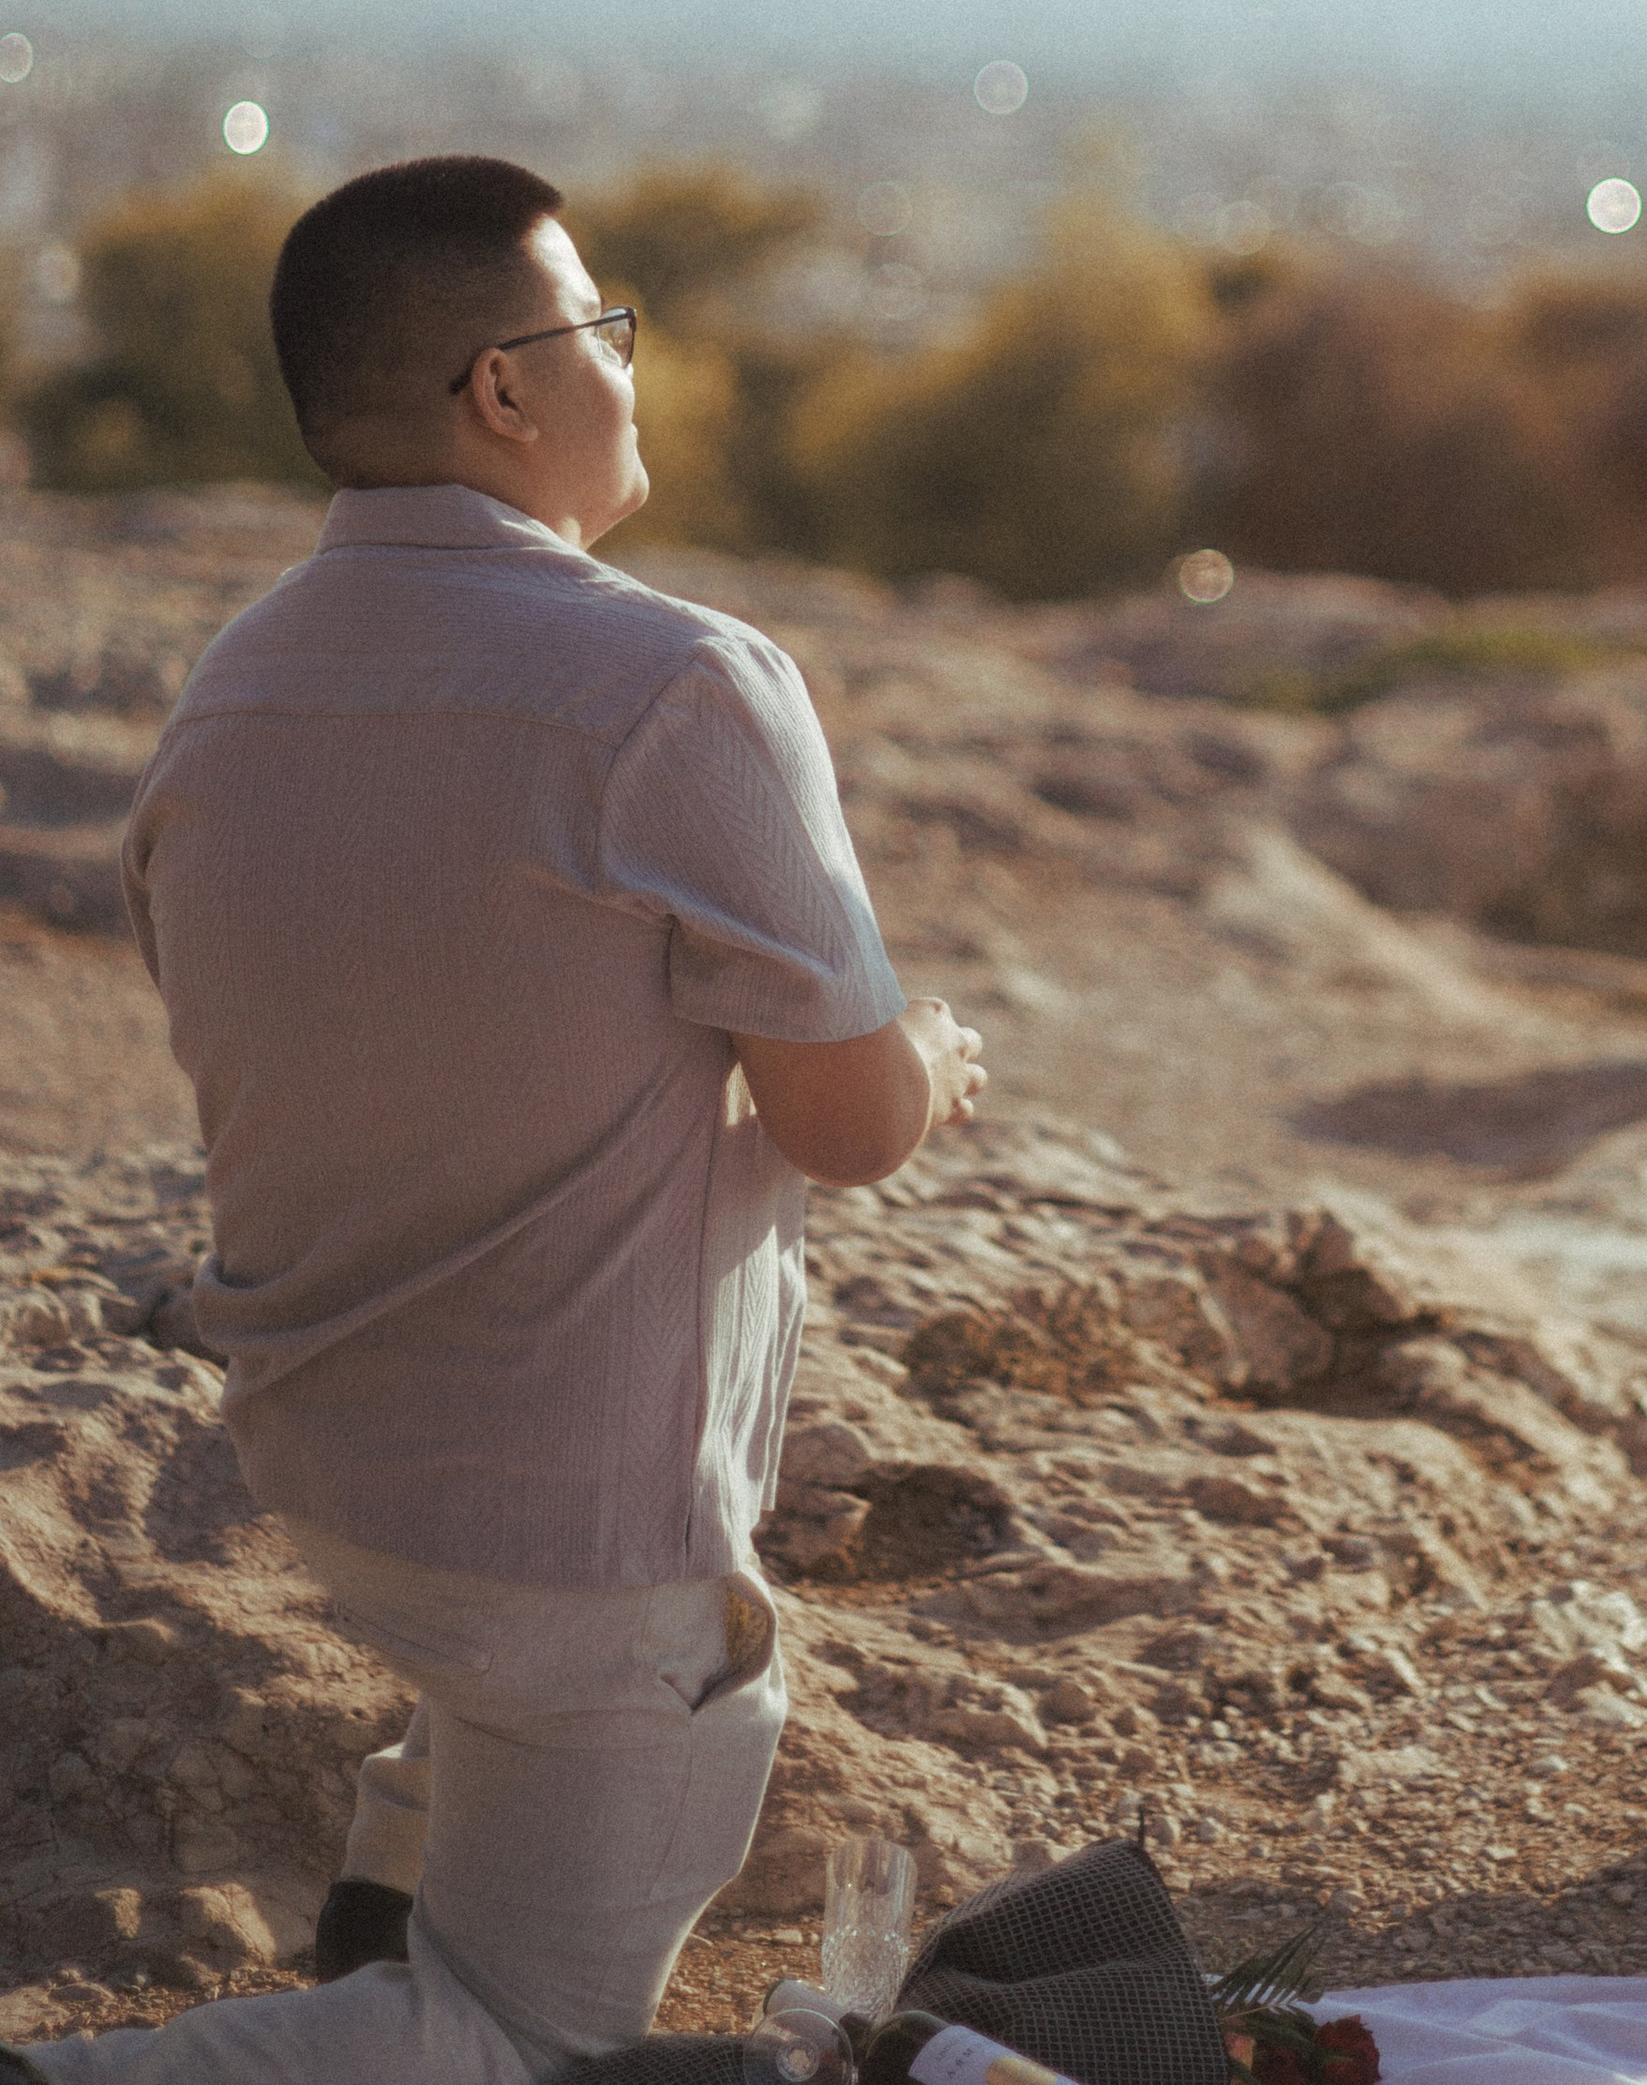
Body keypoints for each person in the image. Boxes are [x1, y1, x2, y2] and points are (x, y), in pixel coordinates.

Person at [7, 156, 984, 2084]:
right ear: (507, 391)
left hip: (330, 1456)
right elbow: (852, 1120)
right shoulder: (680, 680)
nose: (633, 365)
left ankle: (392, 1895)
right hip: (574, 1535)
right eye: (603, 328)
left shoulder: (235, 688)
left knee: (492, 1704)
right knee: (524, 2039)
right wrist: (935, 1057)